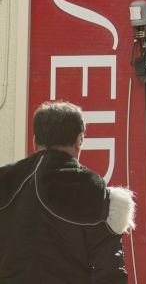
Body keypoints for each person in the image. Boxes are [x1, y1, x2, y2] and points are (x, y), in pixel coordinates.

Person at [0, 100, 135, 283]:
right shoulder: (92, 189)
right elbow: (109, 270)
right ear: (80, 140)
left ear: (34, 141)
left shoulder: (5, 181)